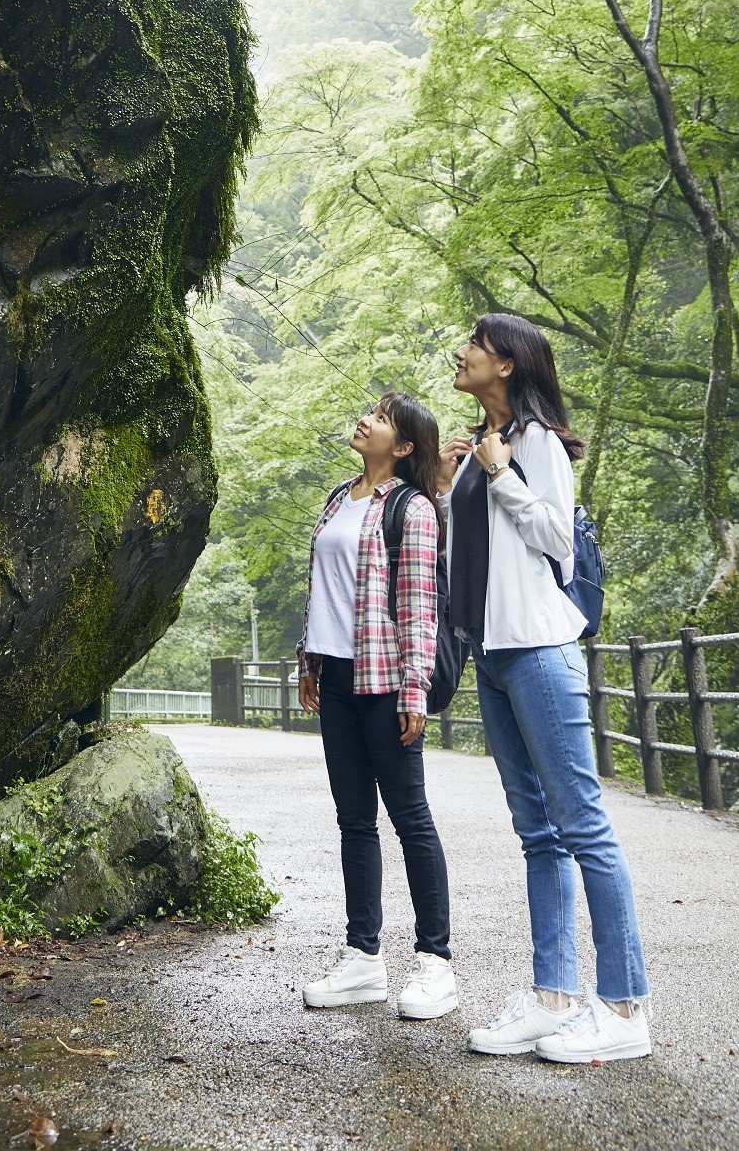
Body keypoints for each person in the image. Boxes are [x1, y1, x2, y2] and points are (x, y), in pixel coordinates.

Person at [440, 313, 651, 1063]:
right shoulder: (482, 446)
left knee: (583, 826)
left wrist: (501, 474)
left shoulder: (535, 443)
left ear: (506, 363)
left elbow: (558, 540)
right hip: (493, 655)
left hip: (539, 650)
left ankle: (624, 1007)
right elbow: (474, 556)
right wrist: (453, 485)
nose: (462, 351)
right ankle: (553, 996)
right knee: (538, 833)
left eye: (475, 343)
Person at [298, 391, 458, 1021]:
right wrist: (309, 662)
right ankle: (363, 958)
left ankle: (435, 962)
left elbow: (418, 608)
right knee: (354, 820)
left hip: (386, 680)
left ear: (404, 446)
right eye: (370, 412)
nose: (366, 420)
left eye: (382, 419)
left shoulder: (412, 508)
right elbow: (323, 589)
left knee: (410, 819)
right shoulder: (339, 497)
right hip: (336, 674)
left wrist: (414, 689)